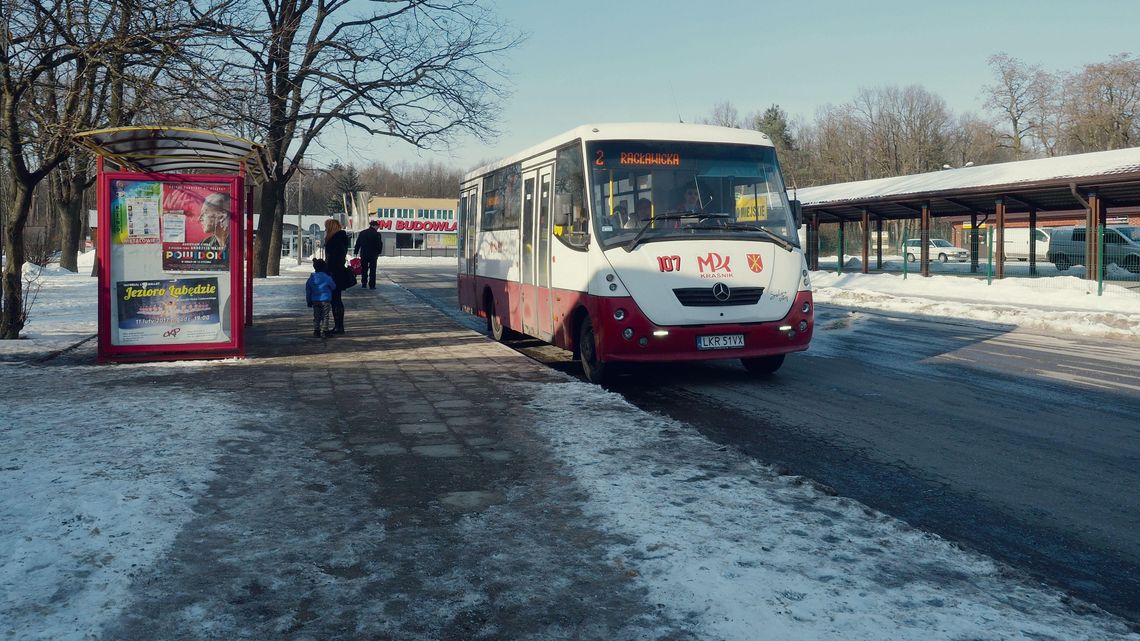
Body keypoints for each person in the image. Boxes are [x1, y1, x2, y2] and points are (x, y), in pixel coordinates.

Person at [323, 218, 352, 334]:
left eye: (326, 227)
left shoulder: (335, 239)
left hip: (334, 273)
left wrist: (328, 269)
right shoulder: (340, 237)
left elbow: (335, 257)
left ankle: (339, 327)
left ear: (330, 227)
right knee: (336, 299)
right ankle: (339, 326)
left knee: (336, 300)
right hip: (337, 271)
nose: (325, 229)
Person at [305, 258, 336, 338]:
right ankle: (325, 330)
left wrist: (309, 301)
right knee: (325, 315)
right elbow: (333, 286)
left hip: (315, 300)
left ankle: (316, 330)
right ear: (324, 267)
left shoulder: (311, 279)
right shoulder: (327, 277)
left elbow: (308, 291)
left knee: (316, 316)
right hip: (325, 299)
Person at [353, 220, 384, 289]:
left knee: (364, 269)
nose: (378, 227)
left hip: (364, 254)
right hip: (373, 255)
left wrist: (356, 251)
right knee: (373, 270)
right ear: (374, 226)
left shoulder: (362, 233)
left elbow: (358, 243)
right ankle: (372, 285)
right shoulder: (377, 234)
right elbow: (379, 245)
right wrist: (378, 252)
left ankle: (364, 283)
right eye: (377, 226)